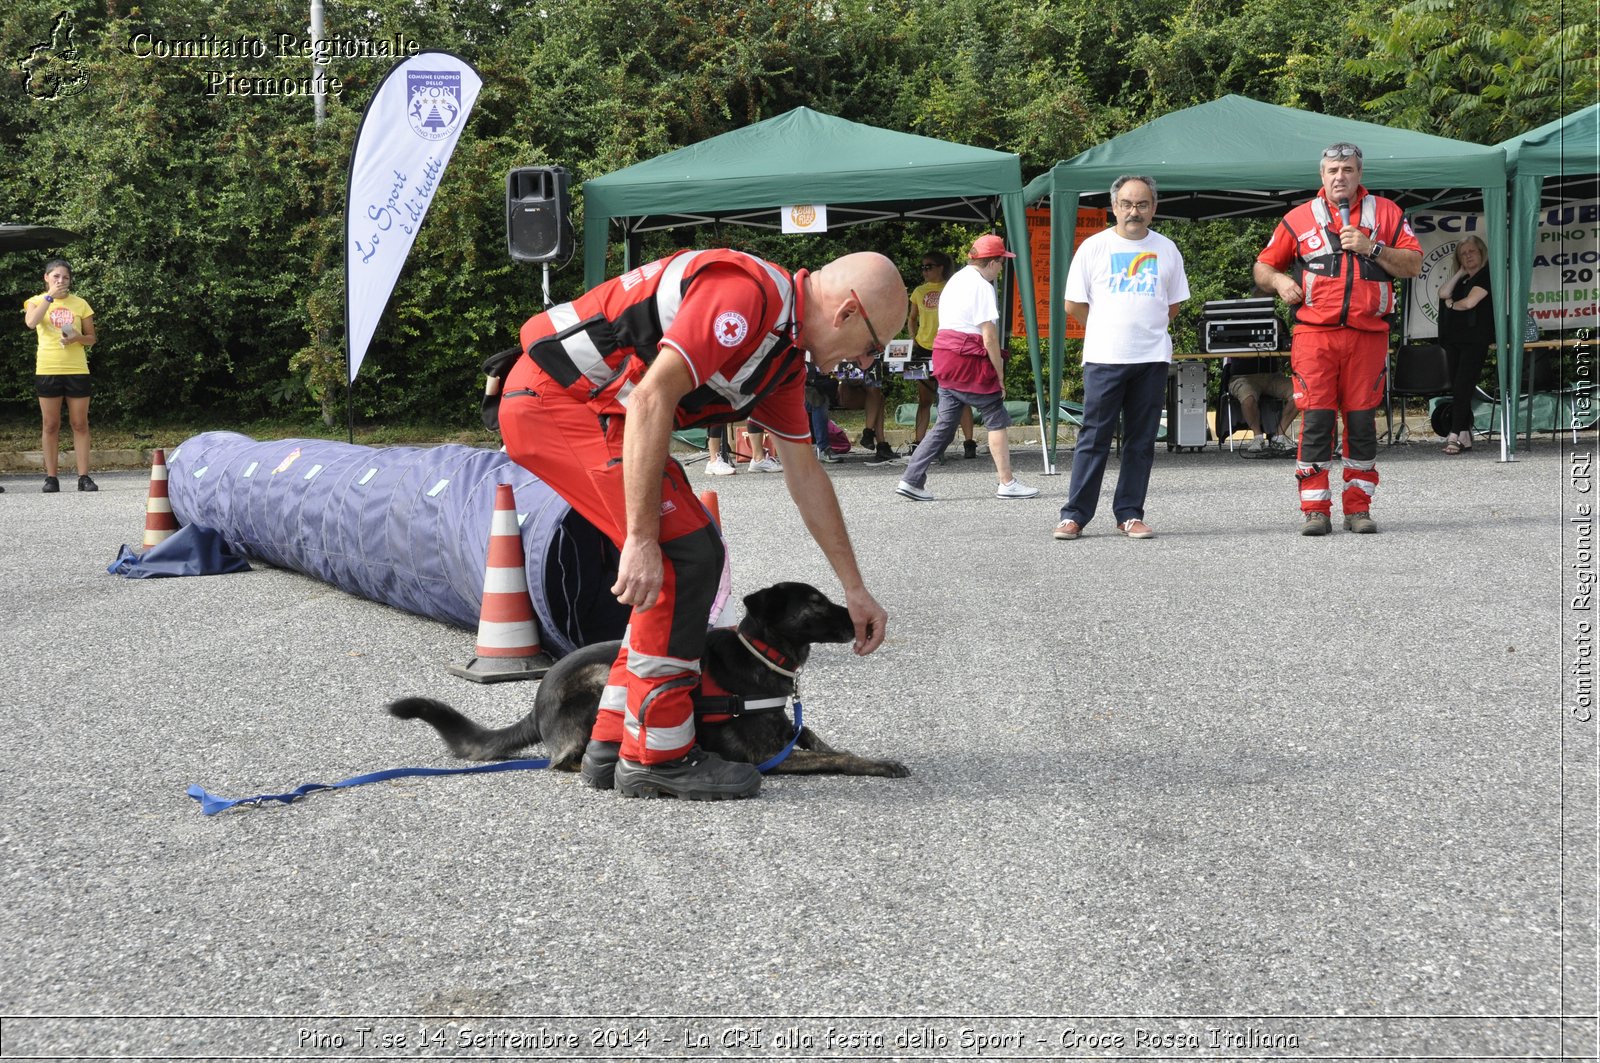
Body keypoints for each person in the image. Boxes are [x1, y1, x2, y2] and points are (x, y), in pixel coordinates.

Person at [499, 248, 902, 800]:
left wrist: (854, 589)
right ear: (848, 312)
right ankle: (657, 757)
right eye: (873, 347)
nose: (866, 362)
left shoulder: (781, 358)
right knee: (685, 557)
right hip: (557, 402)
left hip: (597, 409)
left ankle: (613, 742)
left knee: (694, 551)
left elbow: (806, 477)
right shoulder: (747, 295)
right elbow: (650, 397)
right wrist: (640, 540)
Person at [1253, 142, 1422, 536]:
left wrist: (1372, 247)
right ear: (1321, 176)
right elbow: (1262, 266)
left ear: (1360, 174)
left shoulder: (1387, 212)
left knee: (1361, 423)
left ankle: (1358, 509)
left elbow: (1414, 264)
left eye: (1347, 169)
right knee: (1316, 421)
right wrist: (1279, 281)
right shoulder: (1299, 217)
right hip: (1315, 335)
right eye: (1332, 170)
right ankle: (1315, 510)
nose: (1339, 177)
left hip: (1368, 336)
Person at [1052, 176, 1189, 541]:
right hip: (1104, 357)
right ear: (1113, 207)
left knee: (1141, 440)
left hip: (1152, 359)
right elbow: (1073, 304)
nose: (1134, 211)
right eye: (1127, 204)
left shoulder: (1167, 249)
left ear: (1154, 208)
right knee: (1093, 436)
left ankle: (1129, 514)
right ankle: (1075, 515)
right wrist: (1105, 330)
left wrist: (1144, 332)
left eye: (1142, 204)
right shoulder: (1094, 247)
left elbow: (1171, 305)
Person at [894, 234, 1038, 502]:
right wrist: (1000, 374)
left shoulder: (956, 280)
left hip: (944, 356)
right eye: (1001, 262)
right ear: (992, 262)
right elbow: (989, 336)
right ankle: (1007, 482)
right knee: (995, 414)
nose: (1001, 268)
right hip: (968, 358)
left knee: (945, 424)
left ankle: (911, 479)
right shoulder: (983, 286)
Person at [22, 258, 97, 493]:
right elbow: (31, 323)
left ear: (70, 279)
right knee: (50, 424)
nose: (61, 281)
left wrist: (76, 338)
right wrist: (49, 297)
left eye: (65, 277)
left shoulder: (80, 303)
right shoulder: (35, 301)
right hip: (48, 369)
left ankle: (83, 477)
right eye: (56, 277)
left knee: (79, 423)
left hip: (76, 369)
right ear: (46, 278)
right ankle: (51, 477)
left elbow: (92, 338)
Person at [905, 251, 975, 460]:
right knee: (924, 398)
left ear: (941, 268)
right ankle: (918, 442)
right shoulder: (918, 291)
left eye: (929, 266)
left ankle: (969, 442)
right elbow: (912, 317)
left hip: (949, 347)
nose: (924, 271)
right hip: (924, 347)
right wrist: (913, 337)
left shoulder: (952, 287)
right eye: (923, 267)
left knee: (960, 396)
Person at [1436, 234, 1492, 454]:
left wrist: (1451, 306)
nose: (1468, 256)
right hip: (1454, 341)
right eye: (1463, 253)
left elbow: (1469, 303)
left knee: (1462, 387)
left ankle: (1454, 434)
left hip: (1474, 341)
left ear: (1481, 252)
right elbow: (1443, 293)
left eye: (1472, 251)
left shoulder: (1486, 276)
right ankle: (1465, 436)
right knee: (1459, 387)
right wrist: (1460, 271)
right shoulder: (1463, 278)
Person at [1224, 354, 1298, 451]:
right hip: (1242, 377)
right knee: (1248, 398)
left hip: (1273, 376)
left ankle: (1279, 436)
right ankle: (1257, 437)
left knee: (1300, 393)